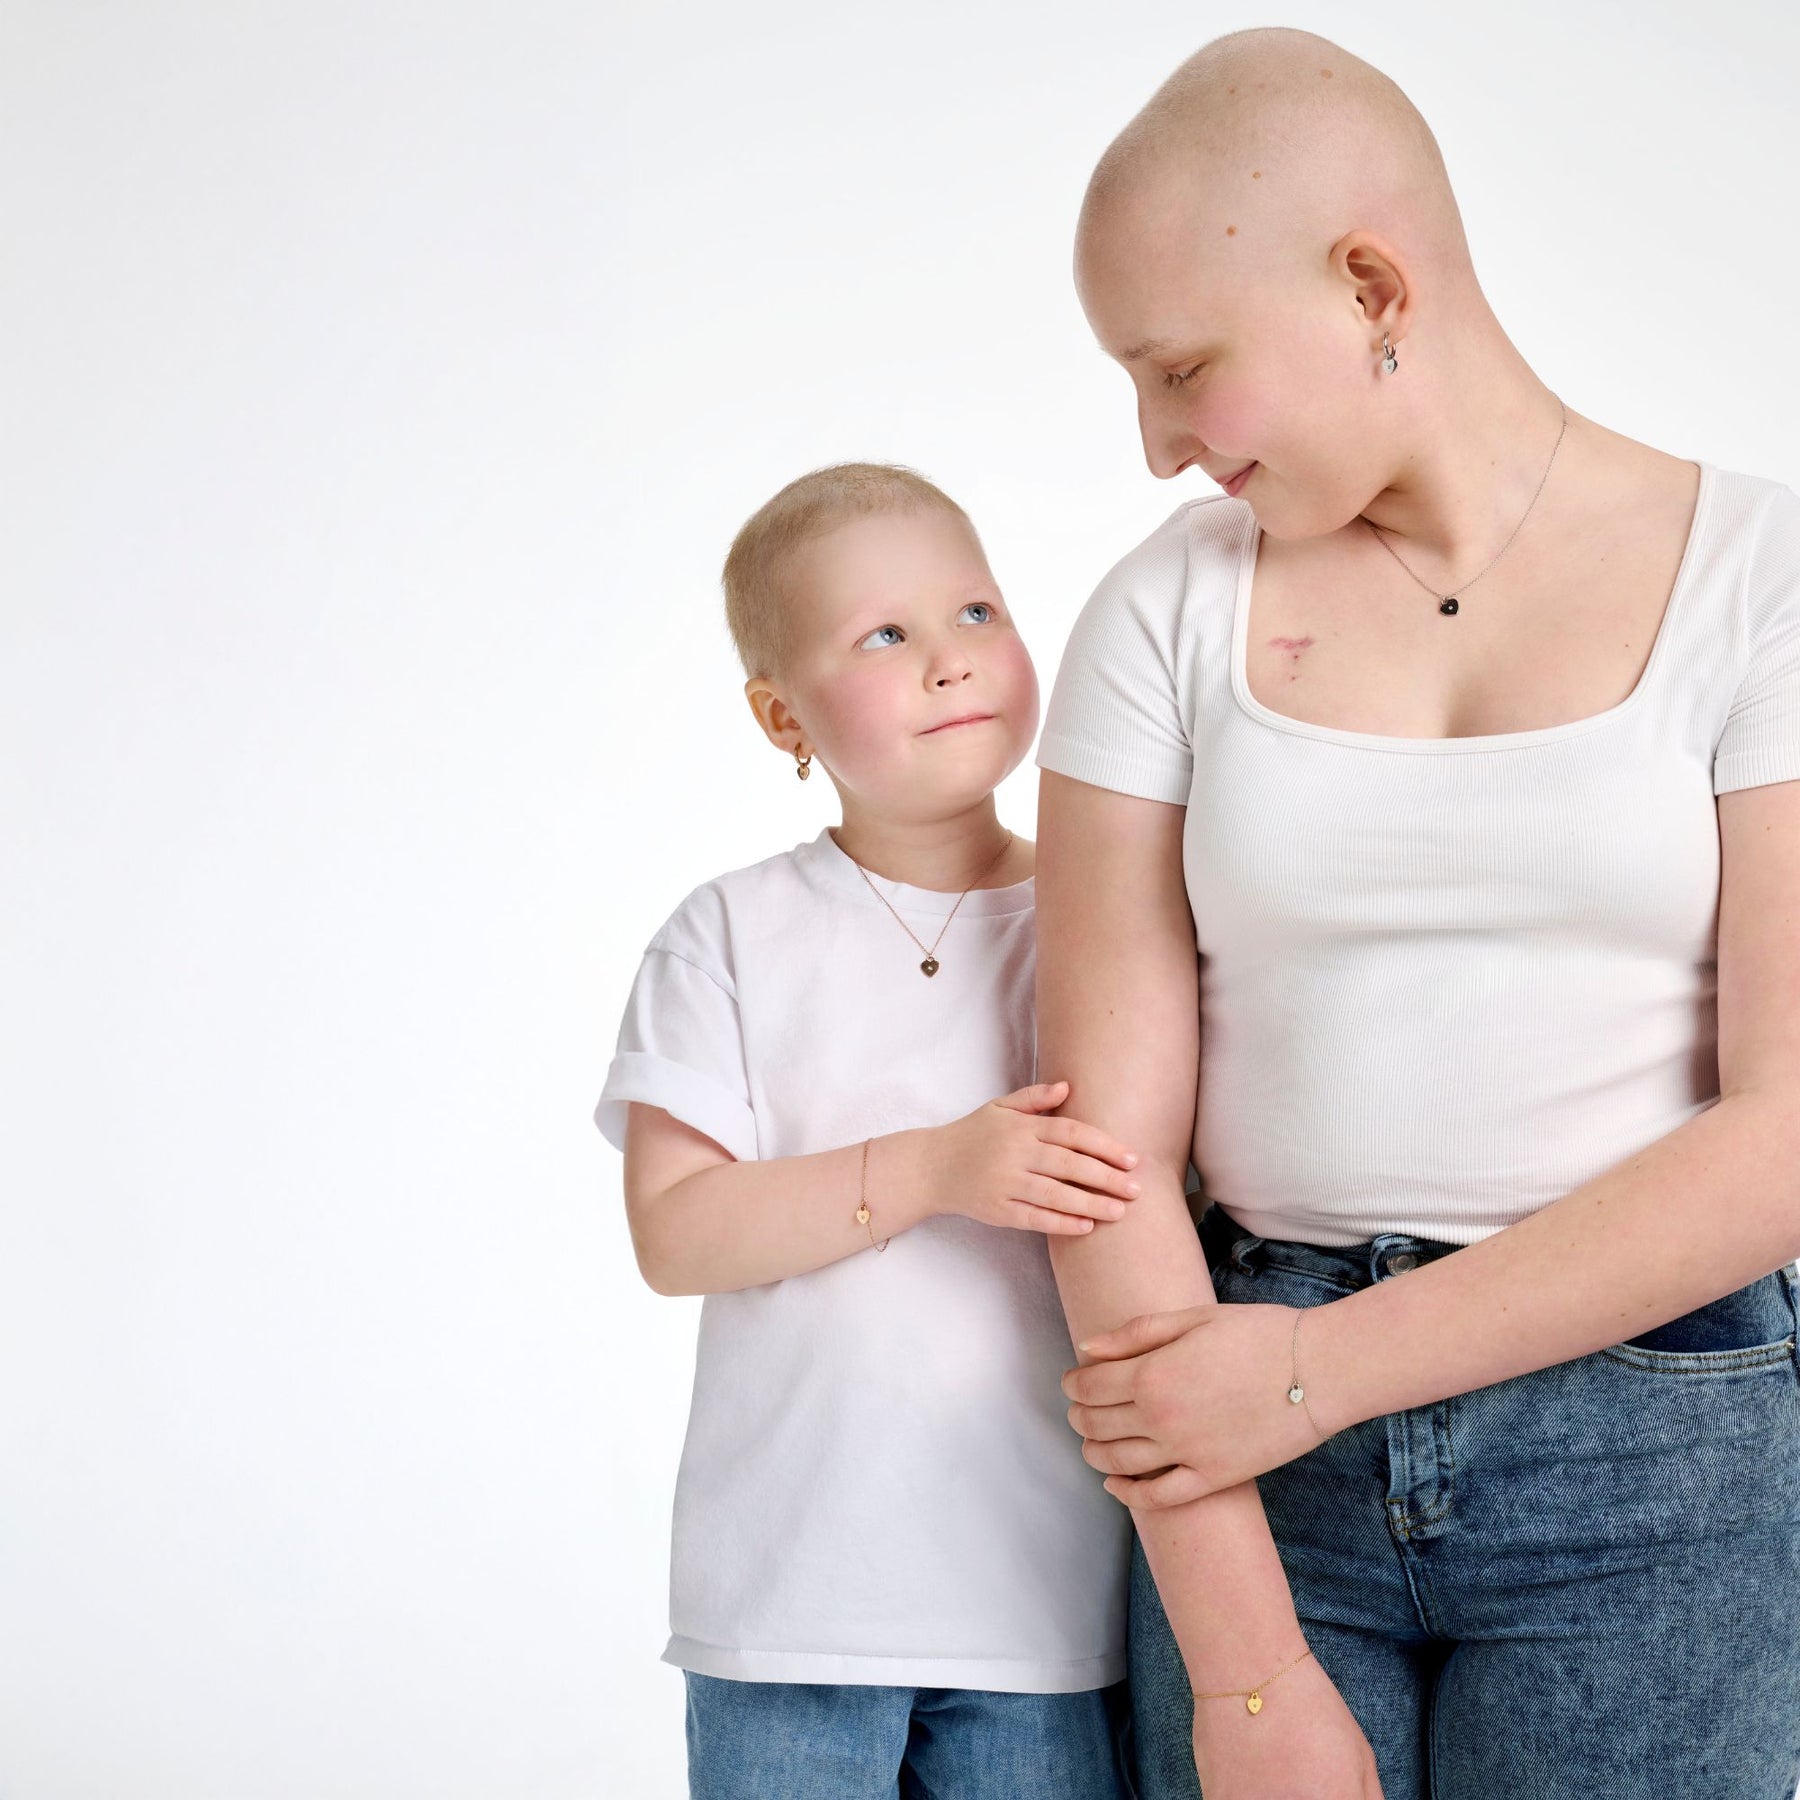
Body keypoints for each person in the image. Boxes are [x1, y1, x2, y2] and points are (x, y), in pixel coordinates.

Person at [1030, 25, 1800, 1800]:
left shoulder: (1761, 580)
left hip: (1657, 1450)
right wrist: (1243, 1672)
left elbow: (1786, 1131)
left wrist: (1320, 1370)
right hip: (1240, 1465)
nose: (1154, 446)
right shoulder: (1160, 614)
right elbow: (1098, 1157)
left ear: (1372, 286)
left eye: (1182, 371)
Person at [593, 462, 1141, 1798]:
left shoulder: (1107, 923)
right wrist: (941, 1166)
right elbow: (677, 1233)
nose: (951, 660)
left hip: (1046, 1606)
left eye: (976, 613)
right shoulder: (730, 933)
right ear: (783, 715)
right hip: (790, 1610)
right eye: (885, 635)